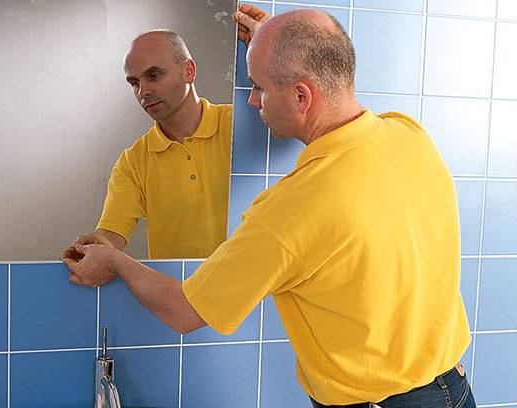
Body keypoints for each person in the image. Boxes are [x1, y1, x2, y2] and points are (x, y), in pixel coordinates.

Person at [63, 6, 477, 408]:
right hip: (455, 388)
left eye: (259, 87)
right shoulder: (407, 133)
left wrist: (117, 264)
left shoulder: (288, 211)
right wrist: (276, 42)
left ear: (301, 95)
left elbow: (186, 311)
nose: (253, 102)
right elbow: (328, 79)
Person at [61, 30, 232, 260]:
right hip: (179, 292)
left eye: (153, 76)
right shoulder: (132, 163)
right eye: (134, 83)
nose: (143, 92)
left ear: (188, 71)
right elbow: (111, 235)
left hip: (259, 290)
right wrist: (95, 247)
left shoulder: (239, 125)